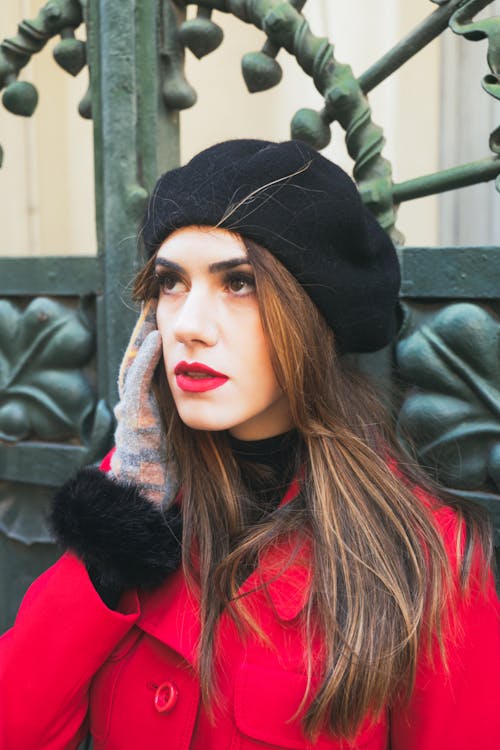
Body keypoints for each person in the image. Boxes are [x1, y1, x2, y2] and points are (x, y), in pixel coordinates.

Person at [0, 139, 498, 750]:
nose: (187, 325)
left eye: (238, 282)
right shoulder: (139, 500)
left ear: (312, 314)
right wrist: (118, 525)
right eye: (170, 283)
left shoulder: (425, 555)